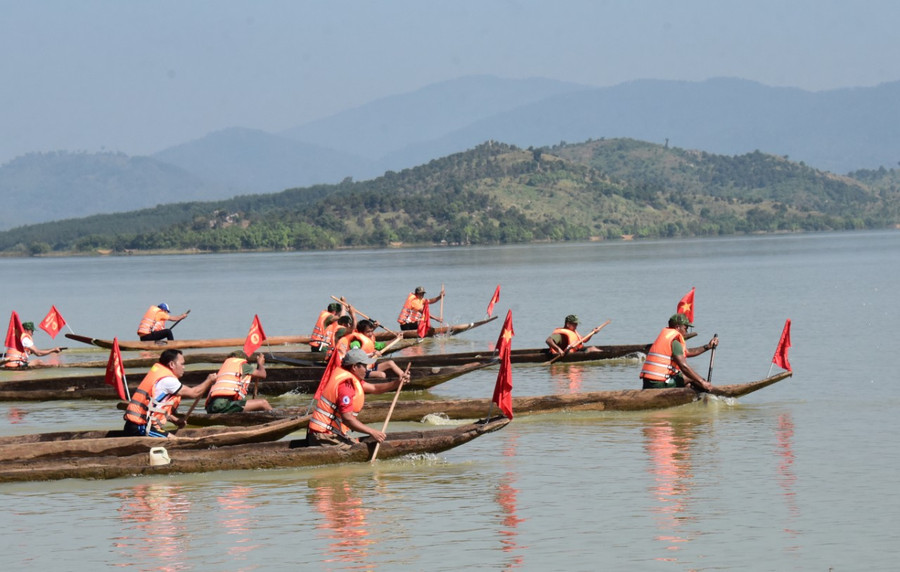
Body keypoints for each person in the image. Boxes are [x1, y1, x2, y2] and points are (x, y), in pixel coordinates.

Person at [307, 348, 408, 447]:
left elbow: (374, 388)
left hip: (328, 433)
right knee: (357, 449)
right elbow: (347, 419)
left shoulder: (351, 378)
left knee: (358, 444)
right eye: (364, 366)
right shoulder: (346, 385)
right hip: (324, 435)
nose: (367, 369)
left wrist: (398, 383)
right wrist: (372, 432)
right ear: (355, 367)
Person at [123, 349, 216, 437]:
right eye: (182, 364)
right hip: (141, 427)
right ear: (172, 364)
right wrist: (209, 380)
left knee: (172, 437)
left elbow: (157, 408)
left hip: (136, 425)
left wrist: (175, 420)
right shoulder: (168, 380)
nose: (184, 367)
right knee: (175, 441)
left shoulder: (161, 375)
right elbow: (194, 393)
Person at [640, 313, 718, 391]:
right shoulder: (674, 341)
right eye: (685, 328)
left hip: (648, 382)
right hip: (657, 384)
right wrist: (702, 382)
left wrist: (708, 346)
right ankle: (710, 393)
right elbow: (684, 367)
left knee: (688, 384)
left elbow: (686, 352)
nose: (686, 331)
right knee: (693, 378)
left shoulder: (666, 336)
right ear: (677, 327)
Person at [334, 319, 409, 380]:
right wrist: (372, 354)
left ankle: (403, 377)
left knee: (390, 363)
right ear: (361, 332)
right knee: (382, 375)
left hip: (370, 366)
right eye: (368, 332)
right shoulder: (356, 342)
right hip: (362, 369)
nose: (370, 334)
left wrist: (396, 339)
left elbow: (381, 346)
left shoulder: (370, 340)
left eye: (371, 331)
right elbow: (355, 356)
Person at [205, 350, 273, 414]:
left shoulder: (225, 368)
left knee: (247, 405)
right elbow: (262, 374)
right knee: (263, 403)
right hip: (222, 405)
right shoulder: (241, 365)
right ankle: (276, 419)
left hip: (210, 407)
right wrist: (260, 363)